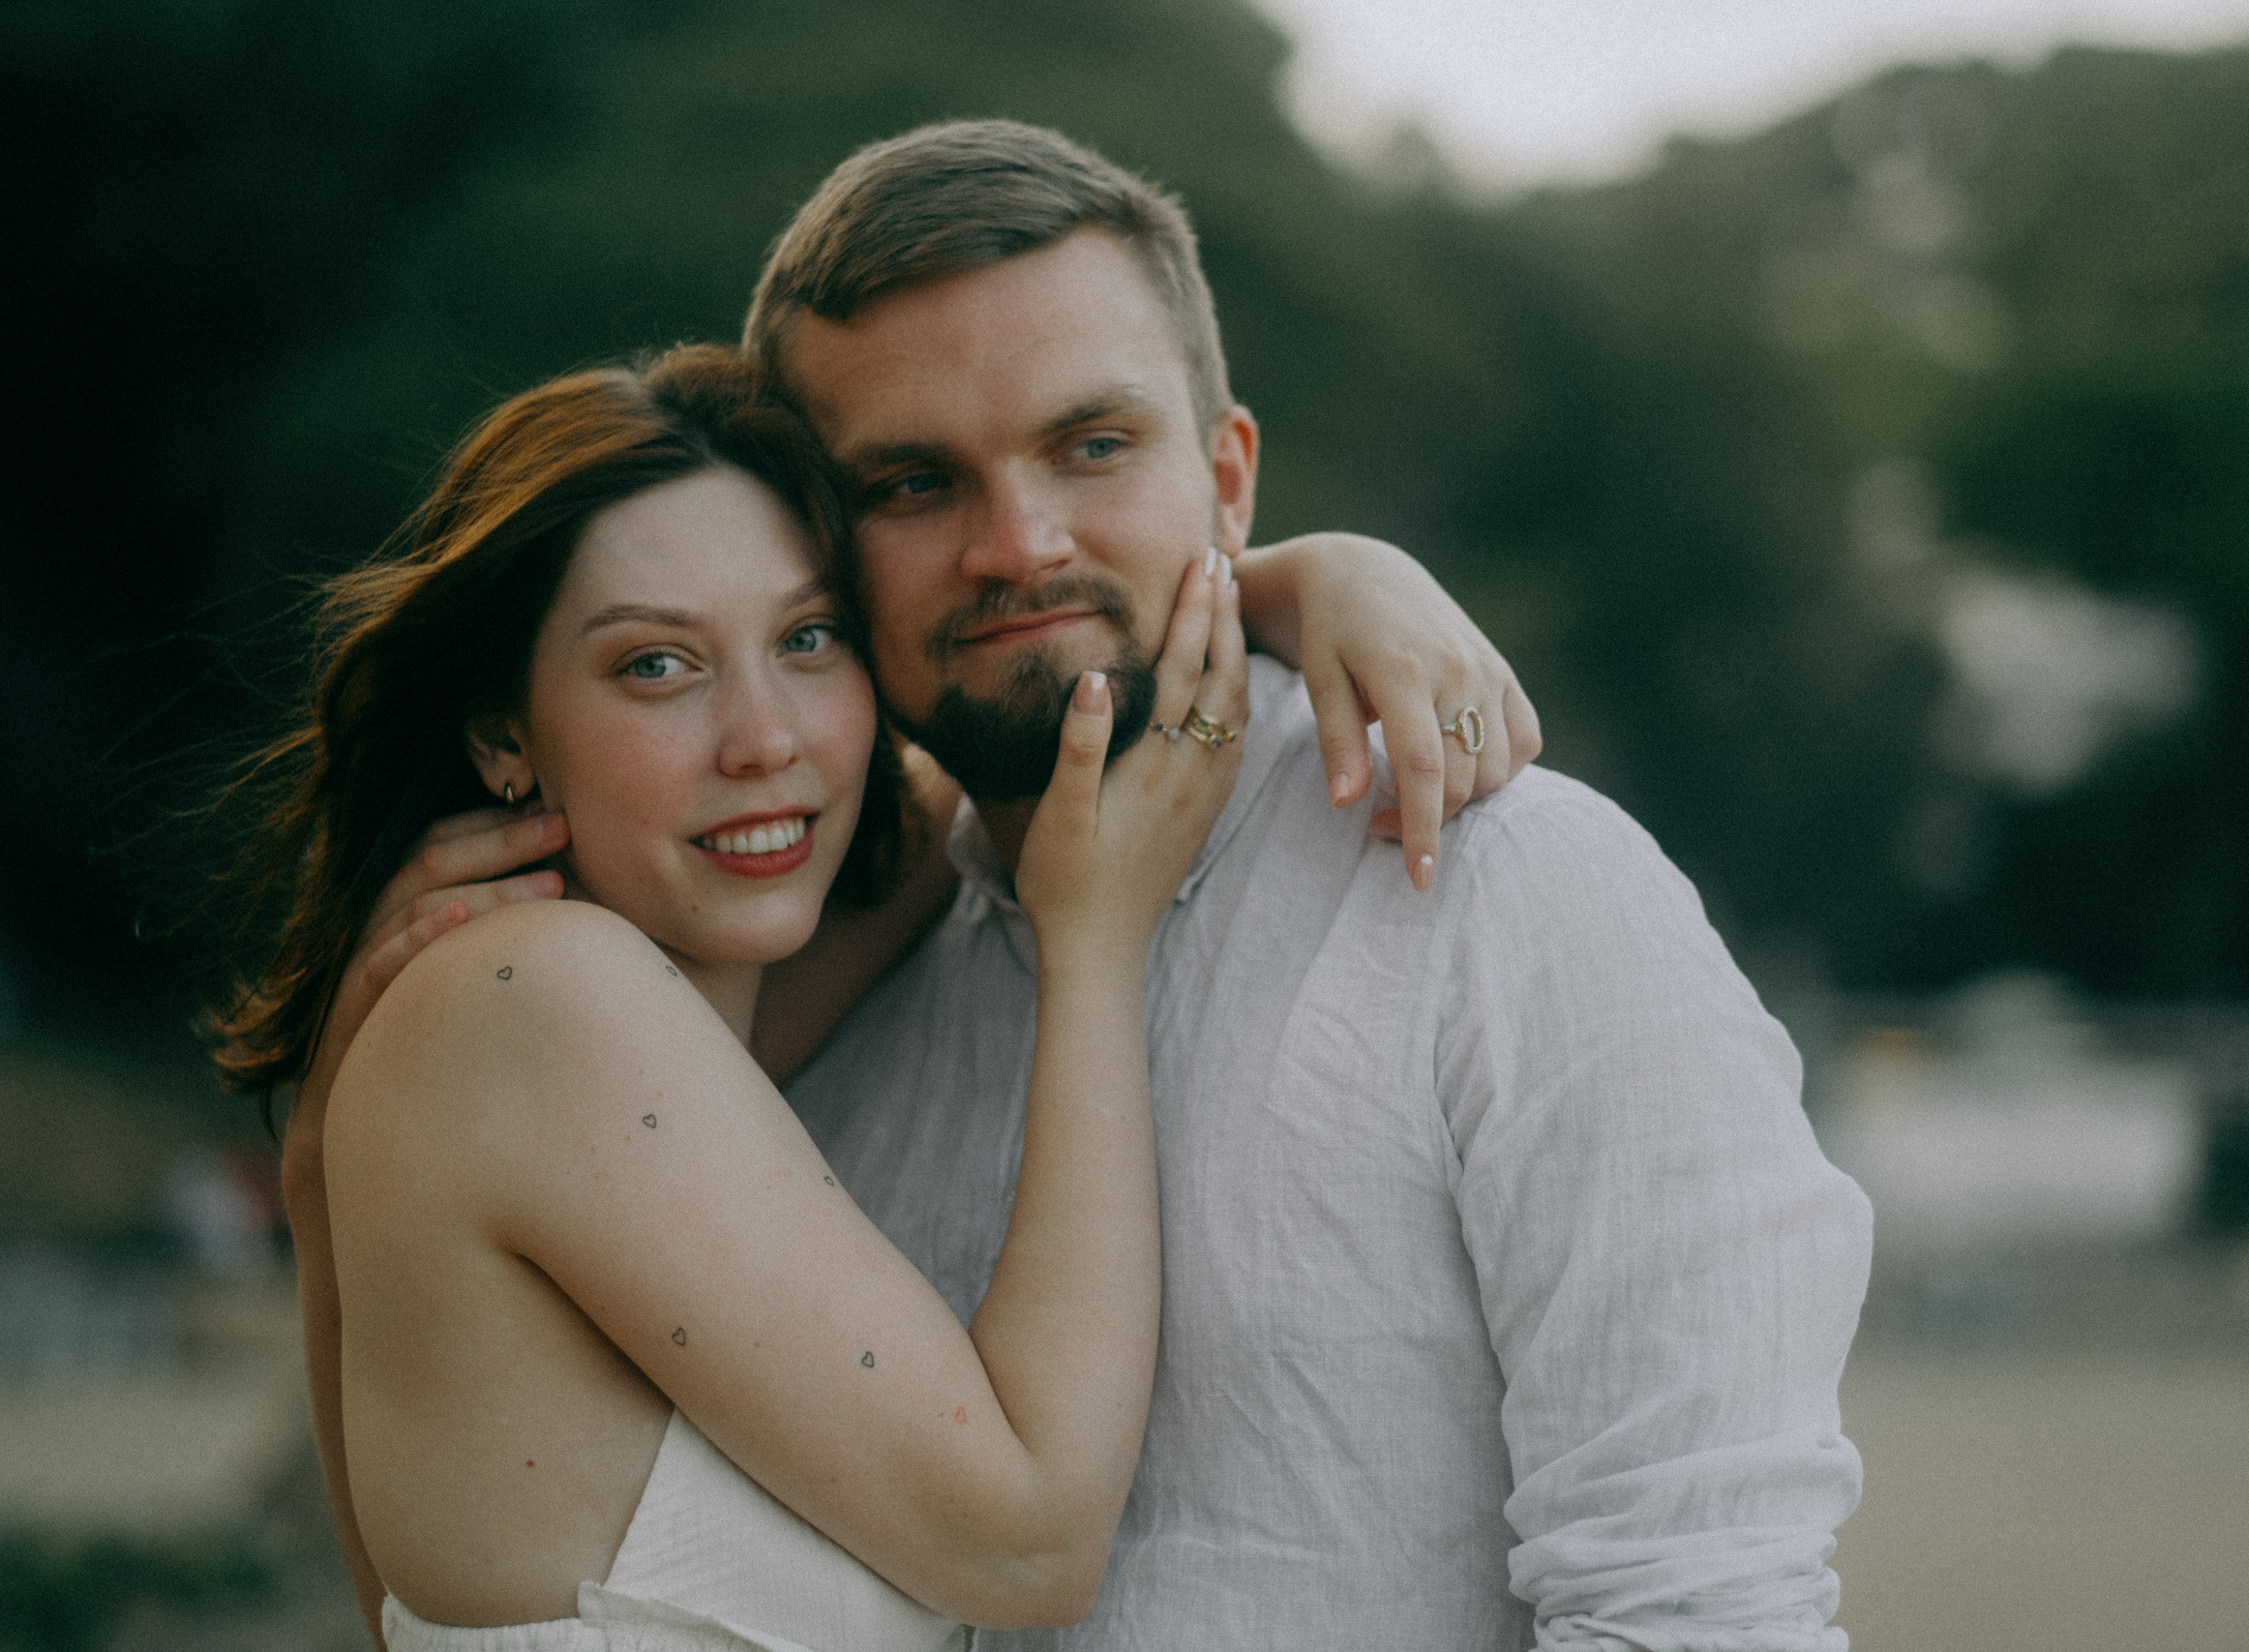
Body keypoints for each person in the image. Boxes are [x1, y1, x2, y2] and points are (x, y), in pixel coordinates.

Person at [345, 121, 1873, 1649]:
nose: (1020, 546)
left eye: (1093, 447)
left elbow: (1698, 1608)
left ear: (1228, 478)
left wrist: (1305, 575)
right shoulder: (806, 976)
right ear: (828, 546)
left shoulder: (1513, 895)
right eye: (914, 482)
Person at [225, 345, 1529, 1649]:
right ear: (503, 730)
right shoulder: (545, 995)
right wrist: (1089, 945)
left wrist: (1314, 576)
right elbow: (1030, 1542)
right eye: (657, 666)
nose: (766, 740)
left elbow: (1031, 725)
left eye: (810, 639)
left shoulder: (637, 1002)